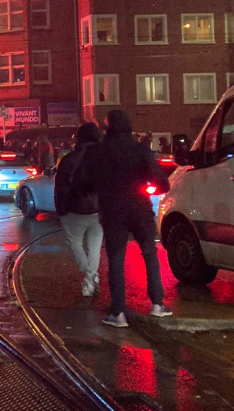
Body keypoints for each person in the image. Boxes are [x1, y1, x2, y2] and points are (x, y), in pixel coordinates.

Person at [73, 110, 172, 328]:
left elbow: (80, 183)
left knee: (116, 258)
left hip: (112, 210)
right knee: (149, 252)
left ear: (107, 128)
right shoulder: (140, 150)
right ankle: (157, 304)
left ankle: (118, 312)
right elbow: (163, 183)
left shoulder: (97, 152)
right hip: (140, 207)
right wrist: (148, 187)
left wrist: (96, 190)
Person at [53, 123, 103, 297]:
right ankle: (91, 277)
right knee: (95, 247)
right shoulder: (102, 159)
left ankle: (90, 276)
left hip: (75, 210)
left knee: (74, 243)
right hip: (98, 211)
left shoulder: (69, 159)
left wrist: (61, 208)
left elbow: (60, 187)